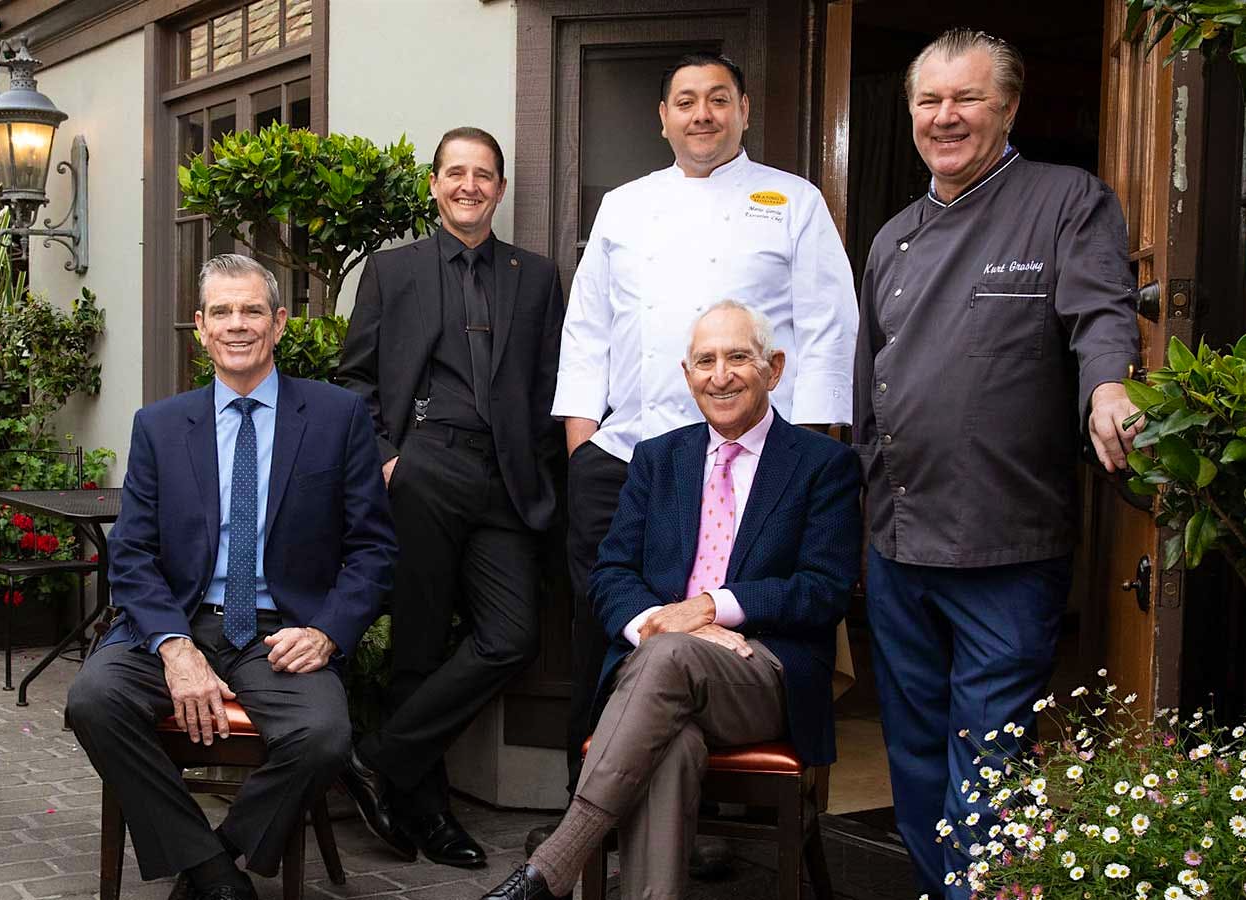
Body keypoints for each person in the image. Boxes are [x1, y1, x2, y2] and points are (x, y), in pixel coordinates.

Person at [854, 29, 1142, 898]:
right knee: (911, 751)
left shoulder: (1066, 201)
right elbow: (872, 379)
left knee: (987, 758)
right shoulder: (892, 237)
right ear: (909, 113)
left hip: (1007, 543)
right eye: (928, 101)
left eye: (967, 99)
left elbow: (1102, 312)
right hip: (898, 538)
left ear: (1008, 107)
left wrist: (1108, 390)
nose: (945, 118)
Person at [550, 50, 858, 817]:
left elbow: (827, 327)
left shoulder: (793, 200)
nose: (701, 114)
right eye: (685, 101)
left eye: (718, 99)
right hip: (628, 455)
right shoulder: (623, 204)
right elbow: (587, 328)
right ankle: (589, 806)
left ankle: (701, 815)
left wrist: (807, 458)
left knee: (717, 638)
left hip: (748, 466)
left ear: (744, 110)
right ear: (663, 118)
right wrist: (584, 445)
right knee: (605, 635)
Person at [481, 299, 862, 900]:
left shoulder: (823, 466)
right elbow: (610, 573)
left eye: (738, 357)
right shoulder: (660, 460)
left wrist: (712, 607)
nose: (720, 375)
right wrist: (668, 627)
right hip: (663, 674)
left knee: (667, 660)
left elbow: (825, 588)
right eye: (704, 361)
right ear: (686, 377)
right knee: (669, 741)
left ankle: (551, 868)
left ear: (775, 368)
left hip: (763, 672)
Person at [66, 254, 396, 900]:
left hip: (281, 632)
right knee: (93, 701)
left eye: (251, 311)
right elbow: (130, 554)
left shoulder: (336, 419)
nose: (237, 325)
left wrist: (328, 633)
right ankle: (218, 880)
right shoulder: (159, 427)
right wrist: (172, 645)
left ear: (278, 323)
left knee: (325, 736)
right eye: (222, 312)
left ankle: (217, 856)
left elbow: (374, 551)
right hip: (178, 621)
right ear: (201, 327)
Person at [334, 126, 566, 868]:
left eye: (484, 174)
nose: (470, 185)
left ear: (500, 188)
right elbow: (355, 378)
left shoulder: (536, 275)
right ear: (434, 185)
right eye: (455, 173)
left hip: (506, 482)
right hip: (424, 471)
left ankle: (379, 755)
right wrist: (388, 459)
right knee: (419, 649)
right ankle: (429, 814)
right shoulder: (391, 271)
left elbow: (553, 383)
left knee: (511, 637)